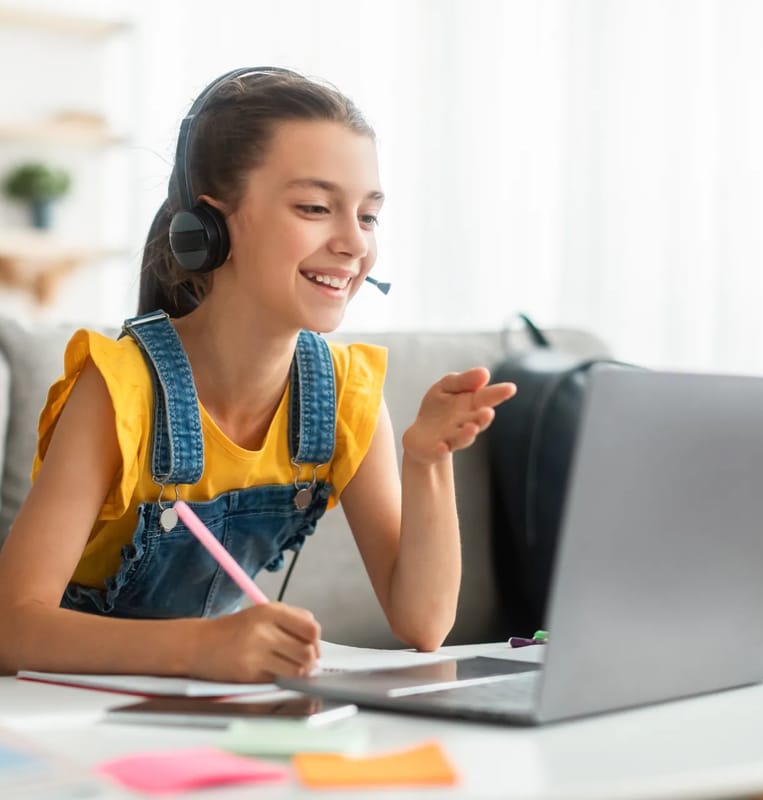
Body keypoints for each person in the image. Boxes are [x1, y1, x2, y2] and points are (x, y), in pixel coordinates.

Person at [0, 67, 516, 683]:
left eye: (369, 216)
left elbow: (424, 622)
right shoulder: (120, 389)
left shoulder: (345, 397)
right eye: (316, 207)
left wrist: (427, 461)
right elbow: (13, 628)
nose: (355, 243)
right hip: (76, 709)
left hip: (210, 709)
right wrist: (201, 650)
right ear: (211, 228)